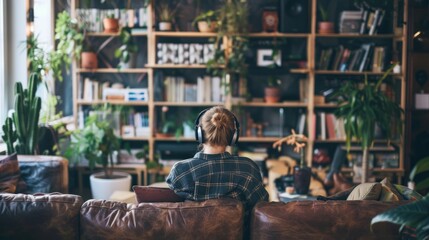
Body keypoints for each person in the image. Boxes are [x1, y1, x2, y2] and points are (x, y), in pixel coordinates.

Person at [166, 106, 269, 215]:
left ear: (199, 133)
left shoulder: (180, 171)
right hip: (238, 232)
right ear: (233, 136)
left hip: (193, 232)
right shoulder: (248, 168)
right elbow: (264, 209)